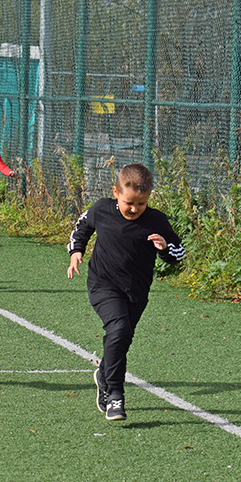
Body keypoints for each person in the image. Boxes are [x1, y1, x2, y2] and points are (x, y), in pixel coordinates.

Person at [66, 163, 185, 421]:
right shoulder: (102, 209)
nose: (134, 209)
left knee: (122, 338)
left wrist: (165, 249)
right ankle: (115, 394)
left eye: (141, 204)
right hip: (103, 285)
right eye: (129, 203)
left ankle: (103, 374)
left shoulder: (156, 221)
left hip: (136, 292)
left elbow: (179, 253)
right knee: (119, 329)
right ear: (116, 192)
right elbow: (82, 226)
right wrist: (76, 251)